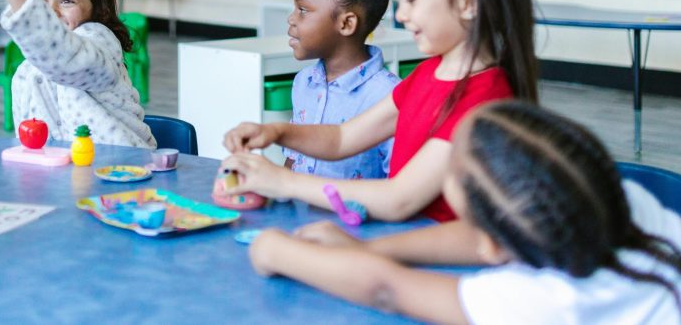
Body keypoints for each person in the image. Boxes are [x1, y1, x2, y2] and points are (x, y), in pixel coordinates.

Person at [222, 0, 537, 222]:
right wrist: (276, 133)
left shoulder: (483, 99)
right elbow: (343, 138)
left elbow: (397, 199)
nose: (400, 16)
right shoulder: (428, 74)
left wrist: (284, 183)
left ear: (468, 2)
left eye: (412, 0)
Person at [246, 102, 681, 325]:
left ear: (492, 244)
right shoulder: (613, 198)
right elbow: (481, 238)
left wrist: (273, 251)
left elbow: (386, 290)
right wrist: (370, 247)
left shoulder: (540, 302)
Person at [0, 0, 155, 148]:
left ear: (99, 10)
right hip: (64, 171)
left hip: (120, 168)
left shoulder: (100, 44)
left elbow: (64, 58)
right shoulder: (28, 69)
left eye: (67, 1)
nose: (51, 11)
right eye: (41, 1)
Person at [282, 0, 401, 180]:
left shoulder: (389, 97)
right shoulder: (304, 82)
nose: (291, 19)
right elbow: (293, 159)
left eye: (303, 10)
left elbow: (398, 184)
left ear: (346, 23)